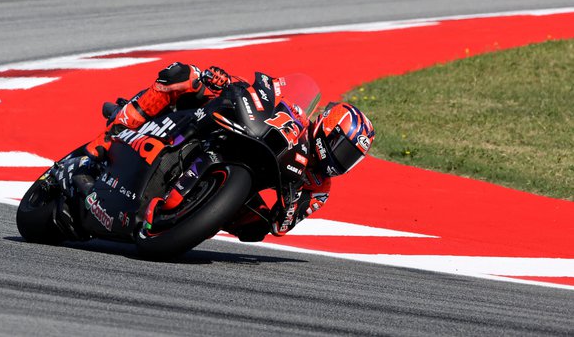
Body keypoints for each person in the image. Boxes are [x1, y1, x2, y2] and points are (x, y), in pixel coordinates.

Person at [55, 62, 375, 242]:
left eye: (351, 158)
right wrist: (223, 81)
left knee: (255, 228)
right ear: (328, 130)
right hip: (235, 133)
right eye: (342, 149)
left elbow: (283, 226)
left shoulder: (320, 188)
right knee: (185, 74)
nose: (341, 160)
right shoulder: (296, 117)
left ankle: (190, 213)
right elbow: (265, 93)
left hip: (247, 189)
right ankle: (108, 138)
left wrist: (290, 198)